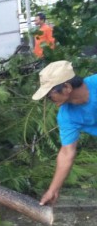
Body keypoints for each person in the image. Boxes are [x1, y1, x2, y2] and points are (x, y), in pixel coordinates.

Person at [32, 60, 97, 206]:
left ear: (67, 87)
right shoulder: (66, 116)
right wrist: (53, 189)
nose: (48, 99)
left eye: (50, 95)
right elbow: (67, 152)